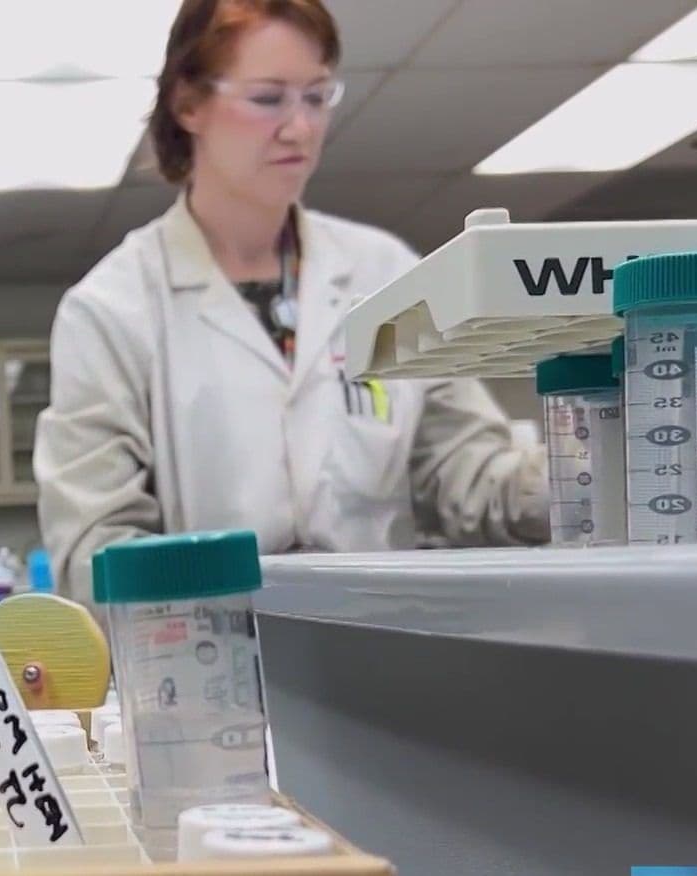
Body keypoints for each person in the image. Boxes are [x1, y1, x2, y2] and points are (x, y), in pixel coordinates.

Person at [35, 0, 548, 601]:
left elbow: (470, 477)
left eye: (316, 97)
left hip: (377, 639)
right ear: (188, 104)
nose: (300, 128)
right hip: (206, 648)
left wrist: (582, 465)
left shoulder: (386, 275)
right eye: (268, 98)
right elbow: (95, 553)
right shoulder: (112, 309)